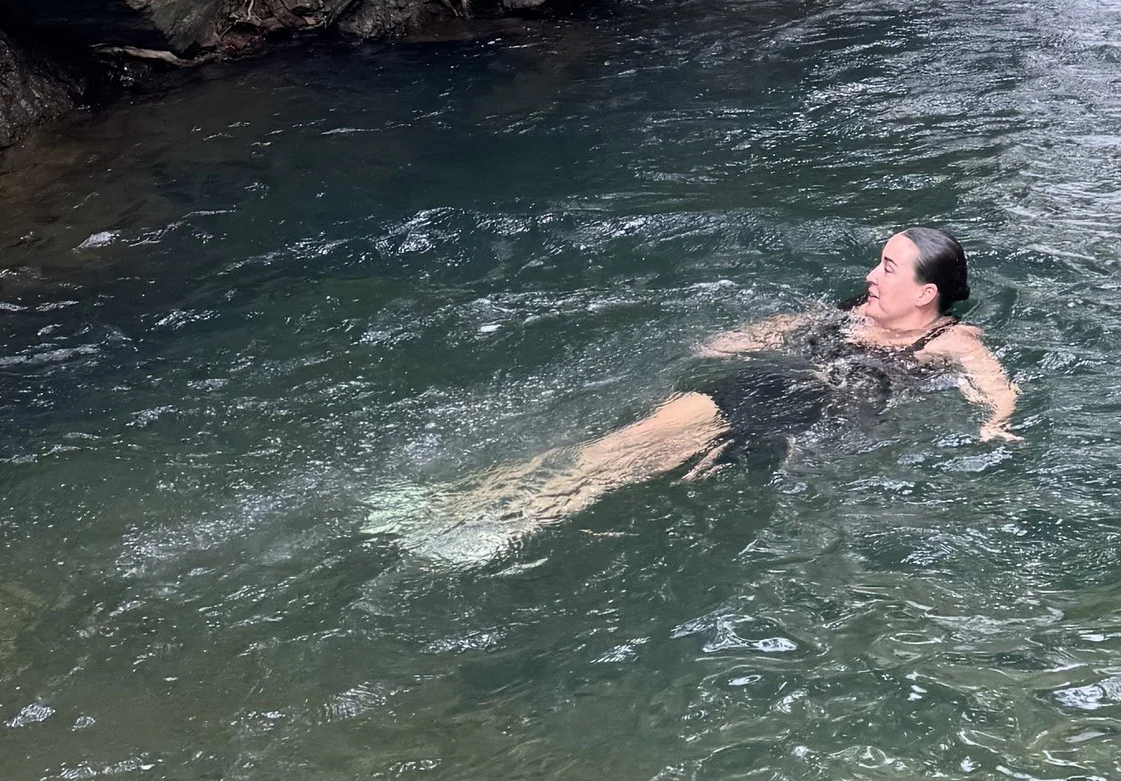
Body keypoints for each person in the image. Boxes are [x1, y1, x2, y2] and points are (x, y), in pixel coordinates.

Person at [373, 230, 1015, 562]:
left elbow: (994, 383)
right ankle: (490, 515)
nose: (872, 276)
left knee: (644, 460)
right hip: (762, 393)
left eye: (888, 268)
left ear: (927, 292)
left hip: (804, 421)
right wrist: (725, 344)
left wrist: (997, 424)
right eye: (877, 262)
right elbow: (786, 326)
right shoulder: (856, 314)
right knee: (629, 448)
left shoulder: (950, 340)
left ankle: (484, 511)